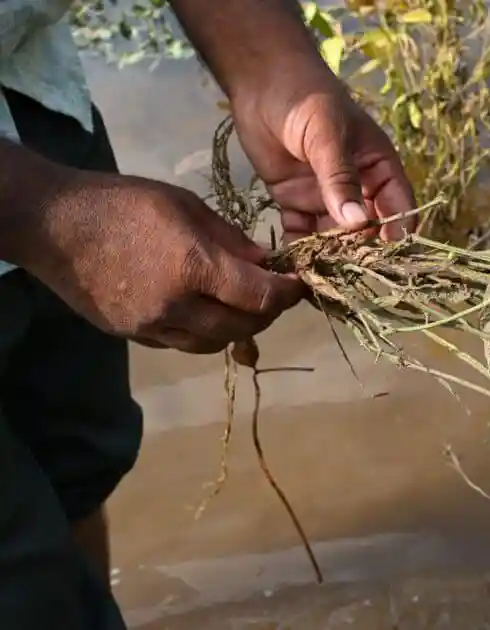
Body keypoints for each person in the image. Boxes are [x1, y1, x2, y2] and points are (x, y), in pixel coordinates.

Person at [0, 1, 417, 627]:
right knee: (19, 576)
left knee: (82, 455)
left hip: (30, 92)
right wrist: (47, 216)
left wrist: (273, 69)